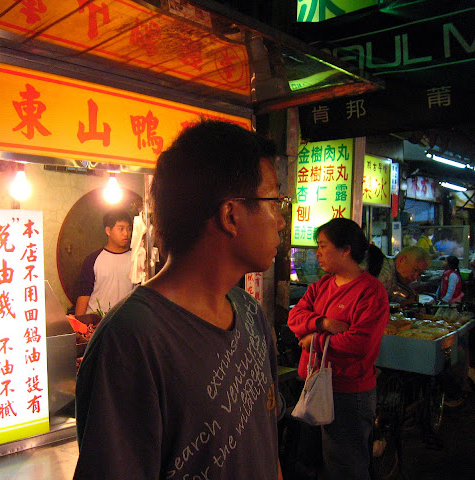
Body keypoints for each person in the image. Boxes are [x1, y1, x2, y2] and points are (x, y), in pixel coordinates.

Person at [74, 120, 286, 480]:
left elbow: (264, 444)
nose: (280, 220)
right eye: (274, 201)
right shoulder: (131, 341)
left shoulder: (250, 313)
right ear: (230, 215)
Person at [287, 218, 390, 480]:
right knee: (311, 463)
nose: (317, 253)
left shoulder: (371, 292)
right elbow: (294, 318)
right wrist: (324, 323)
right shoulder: (321, 286)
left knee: (345, 467)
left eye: (323, 246)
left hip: (347, 392)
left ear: (345, 250)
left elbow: (359, 343)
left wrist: (314, 340)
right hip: (313, 385)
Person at [74, 209, 134, 316]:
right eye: (121, 229)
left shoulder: (136, 258)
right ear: (108, 231)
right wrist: (78, 323)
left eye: (129, 229)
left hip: (126, 319)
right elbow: (84, 294)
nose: (126, 233)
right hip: (97, 319)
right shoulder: (93, 259)